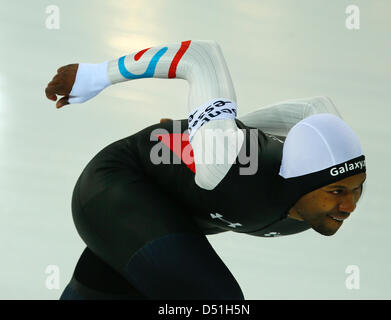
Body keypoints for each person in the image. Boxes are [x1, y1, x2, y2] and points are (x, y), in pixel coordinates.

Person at [45, 40, 367, 300]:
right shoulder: (224, 164)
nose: (349, 206)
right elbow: (200, 57)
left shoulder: (323, 180)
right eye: (337, 191)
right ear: (299, 183)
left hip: (168, 209)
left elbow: (314, 107)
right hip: (117, 184)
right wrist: (95, 75)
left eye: (356, 188)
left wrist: (212, 129)